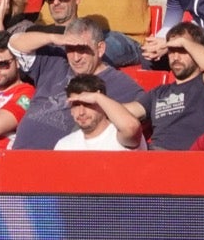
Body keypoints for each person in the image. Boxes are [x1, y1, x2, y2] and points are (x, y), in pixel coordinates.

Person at [10, 17, 145, 150]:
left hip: (60, 161)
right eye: (70, 48)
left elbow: (145, 109)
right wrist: (54, 38)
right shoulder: (55, 62)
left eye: (82, 49)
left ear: (100, 49)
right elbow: (14, 44)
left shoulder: (119, 83)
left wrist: (102, 106)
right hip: (17, 155)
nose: (76, 58)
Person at [127, 22, 204, 150]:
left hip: (196, 160)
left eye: (182, 50)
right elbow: (128, 112)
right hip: (157, 158)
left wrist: (182, 42)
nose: (175, 57)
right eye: (171, 51)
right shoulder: (158, 93)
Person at [52, 73, 147, 151]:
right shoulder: (65, 146)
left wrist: (98, 97)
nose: (81, 112)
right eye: (76, 105)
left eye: (88, 104)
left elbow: (131, 127)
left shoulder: (119, 135)